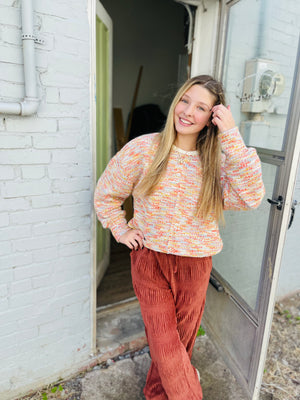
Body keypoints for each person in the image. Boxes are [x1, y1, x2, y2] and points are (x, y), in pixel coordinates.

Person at [94, 75, 265, 400]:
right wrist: (121, 228)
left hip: (195, 265)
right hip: (149, 260)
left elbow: (251, 196)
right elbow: (106, 193)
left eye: (200, 107)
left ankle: (156, 393)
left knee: (180, 341)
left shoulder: (216, 161)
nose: (187, 111)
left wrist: (230, 135)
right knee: (164, 342)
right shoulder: (144, 148)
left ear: (212, 117)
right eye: (185, 100)